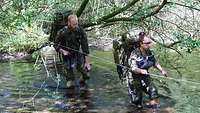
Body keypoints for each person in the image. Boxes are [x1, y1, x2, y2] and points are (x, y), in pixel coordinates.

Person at [127, 32, 167, 112]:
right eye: (147, 43)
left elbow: (154, 62)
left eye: (150, 43)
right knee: (137, 100)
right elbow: (133, 68)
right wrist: (141, 70)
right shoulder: (134, 54)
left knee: (153, 91)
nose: (149, 45)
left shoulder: (150, 52)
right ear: (141, 44)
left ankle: (154, 110)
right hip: (134, 77)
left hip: (145, 75)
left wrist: (162, 70)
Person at [54, 14, 91, 88]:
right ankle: (71, 95)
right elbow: (55, 45)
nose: (76, 26)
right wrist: (62, 51)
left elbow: (85, 47)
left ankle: (82, 83)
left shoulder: (80, 30)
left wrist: (87, 62)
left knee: (86, 75)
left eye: (77, 23)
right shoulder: (62, 32)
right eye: (74, 24)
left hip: (77, 53)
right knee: (70, 84)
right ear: (69, 23)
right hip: (66, 56)